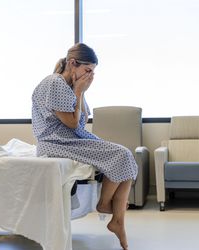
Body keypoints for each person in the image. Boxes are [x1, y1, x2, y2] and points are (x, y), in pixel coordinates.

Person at [31, 43, 138, 250]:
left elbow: (79, 122)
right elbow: (72, 123)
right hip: (55, 142)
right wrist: (79, 92)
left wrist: (80, 91)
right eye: (87, 70)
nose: (91, 76)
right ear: (72, 63)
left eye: (93, 72)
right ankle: (106, 205)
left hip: (71, 138)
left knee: (127, 158)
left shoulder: (71, 85)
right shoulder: (55, 83)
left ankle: (117, 220)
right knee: (122, 154)